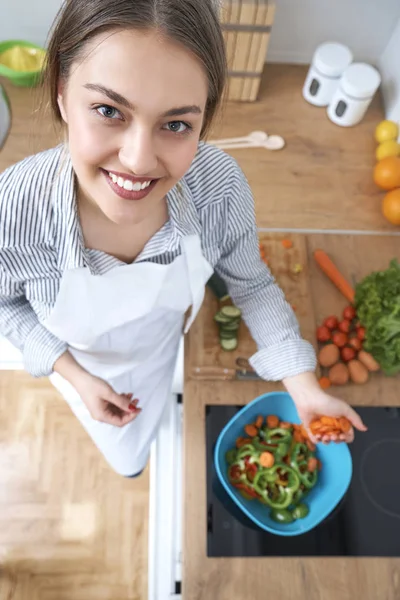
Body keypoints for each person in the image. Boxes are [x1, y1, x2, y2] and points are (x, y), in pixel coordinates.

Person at [0, 0, 366, 478]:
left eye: (176, 124)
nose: (138, 159)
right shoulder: (13, 209)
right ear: (62, 94)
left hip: (162, 346)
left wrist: (301, 384)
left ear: (204, 123)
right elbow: (7, 306)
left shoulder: (219, 187)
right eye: (109, 110)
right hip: (77, 361)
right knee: (127, 458)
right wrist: (78, 377)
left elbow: (250, 284)